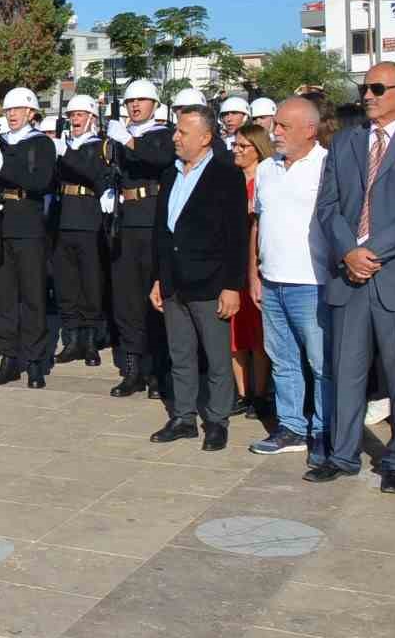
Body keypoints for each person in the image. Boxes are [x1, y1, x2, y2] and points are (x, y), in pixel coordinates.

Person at [308, 62, 395, 493]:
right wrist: (349, 252)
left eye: (378, 88)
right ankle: (343, 454)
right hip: (349, 276)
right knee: (346, 371)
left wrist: (371, 251)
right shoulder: (345, 142)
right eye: (364, 88)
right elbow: (328, 207)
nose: (367, 95)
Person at [147, 107, 249, 451]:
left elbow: (236, 235)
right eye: (177, 131)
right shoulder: (170, 174)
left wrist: (232, 285)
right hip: (174, 280)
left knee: (217, 356)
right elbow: (162, 232)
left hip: (210, 282)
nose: (175, 137)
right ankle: (184, 417)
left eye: (183, 133)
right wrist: (158, 279)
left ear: (205, 138)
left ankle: (217, 420)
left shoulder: (226, 175)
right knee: (181, 353)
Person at [247, 99, 332, 459]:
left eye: (283, 126)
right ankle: (292, 427)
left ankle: (326, 430)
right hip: (272, 280)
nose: (274, 132)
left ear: (310, 130)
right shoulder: (266, 169)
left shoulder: (328, 165)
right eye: (275, 125)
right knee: (283, 360)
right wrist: (254, 273)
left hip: (312, 282)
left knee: (320, 362)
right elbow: (258, 223)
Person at [108, 80, 177, 398]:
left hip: (150, 219)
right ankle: (133, 367)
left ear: (154, 105)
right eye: (130, 102)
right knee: (126, 297)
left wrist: (128, 140)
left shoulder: (161, 134)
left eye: (141, 101)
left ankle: (158, 371)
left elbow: (159, 159)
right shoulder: (122, 136)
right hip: (126, 218)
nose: (134, 106)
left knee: (154, 298)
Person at [0, 88, 56, 388]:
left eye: (17, 110)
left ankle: (36, 360)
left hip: (29, 224)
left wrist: (5, 167)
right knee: (4, 297)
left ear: (31, 113)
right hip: (3, 224)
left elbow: (39, 181)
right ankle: (9, 358)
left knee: (32, 296)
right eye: (7, 110)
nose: (11, 114)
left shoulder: (40, 143)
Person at [52, 95, 108, 367]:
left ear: (91, 119)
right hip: (64, 218)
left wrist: (66, 153)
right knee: (67, 283)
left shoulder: (98, 146)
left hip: (87, 217)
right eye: (71, 115)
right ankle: (71, 339)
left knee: (90, 283)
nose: (74, 120)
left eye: (79, 115)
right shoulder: (65, 145)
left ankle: (89, 341)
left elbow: (92, 172)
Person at [230, 124, 274, 417]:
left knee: (257, 335)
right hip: (231, 262)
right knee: (235, 335)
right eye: (235, 145)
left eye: (243, 146)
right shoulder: (229, 179)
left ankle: (259, 394)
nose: (236, 150)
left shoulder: (266, 179)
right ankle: (241, 394)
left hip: (257, 263)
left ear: (257, 149)